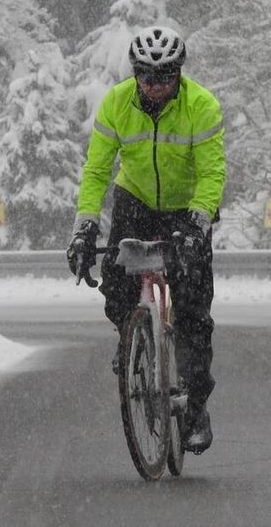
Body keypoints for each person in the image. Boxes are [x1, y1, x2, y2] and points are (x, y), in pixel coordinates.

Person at [66, 25, 225, 455]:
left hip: (185, 205)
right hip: (135, 199)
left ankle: (195, 409)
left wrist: (197, 224)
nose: (155, 86)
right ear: (135, 74)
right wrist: (84, 226)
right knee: (116, 283)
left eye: (165, 77)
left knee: (193, 313)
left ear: (178, 75)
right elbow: (97, 171)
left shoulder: (202, 106)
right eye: (147, 77)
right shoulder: (116, 104)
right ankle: (131, 338)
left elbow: (212, 173)